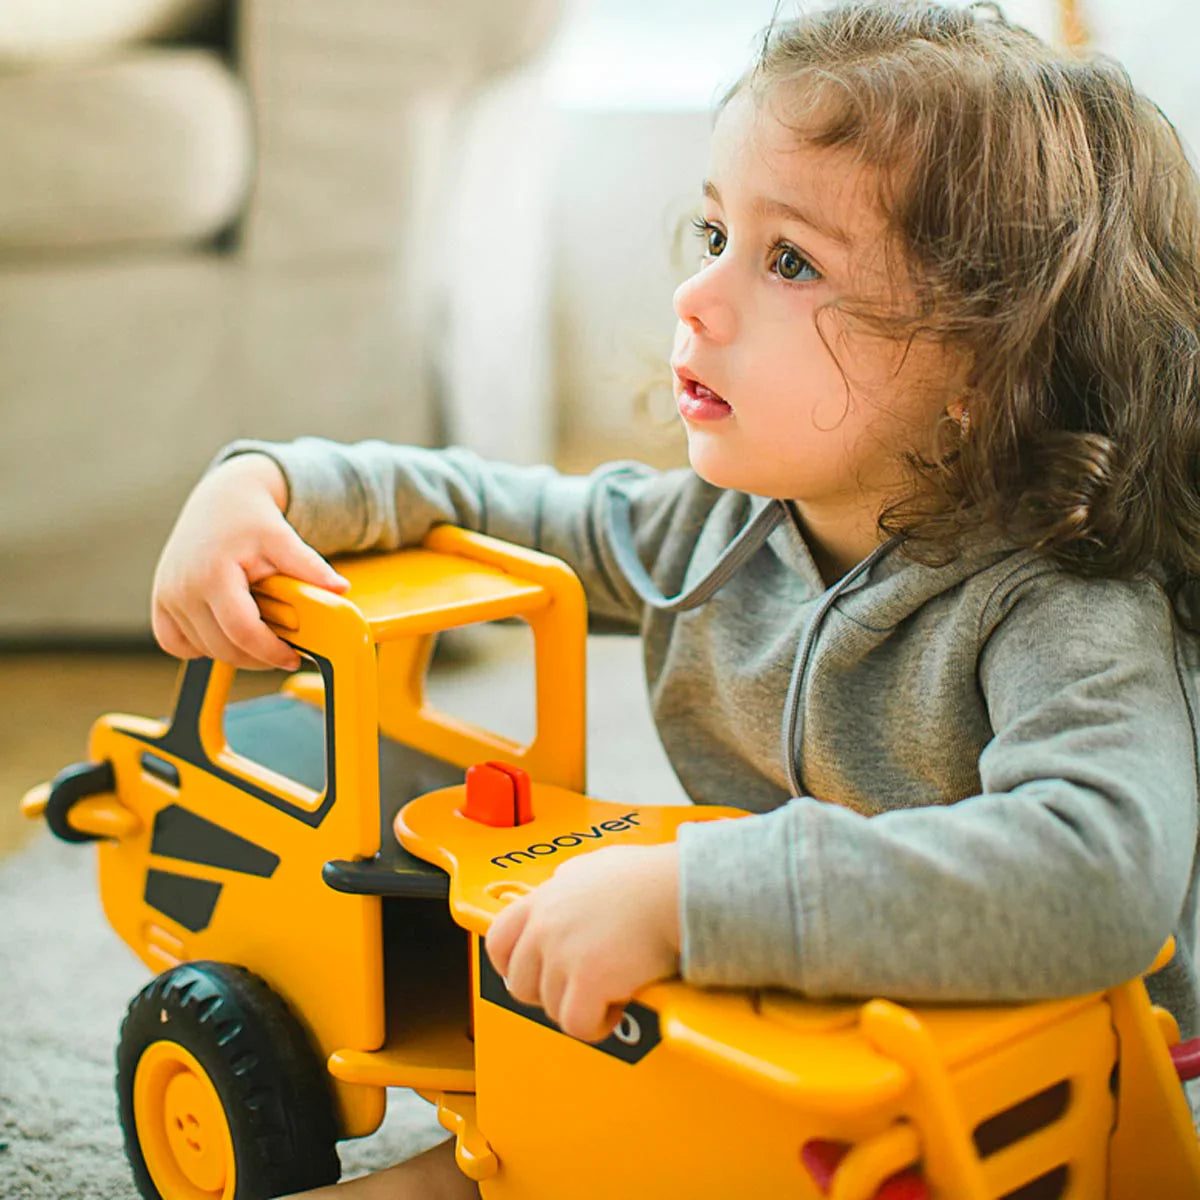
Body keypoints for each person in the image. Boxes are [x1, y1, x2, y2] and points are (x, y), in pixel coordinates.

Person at [151, 3, 1200, 1196]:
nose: (697, 296)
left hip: (1032, 1102)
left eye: (788, 259)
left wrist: (697, 897)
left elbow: (1099, 876)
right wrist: (274, 479)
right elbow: (494, 509)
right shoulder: (720, 533)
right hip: (788, 1033)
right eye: (713, 230)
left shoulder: (1067, 602)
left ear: (980, 364)